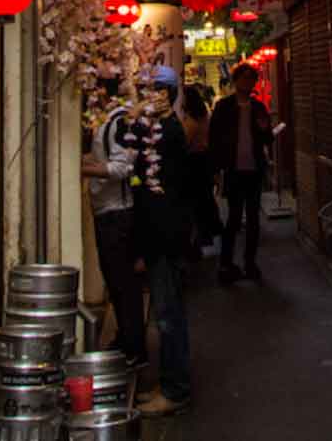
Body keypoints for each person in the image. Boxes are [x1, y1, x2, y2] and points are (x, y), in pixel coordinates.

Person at [127, 65, 193, 418]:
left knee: (169, 316)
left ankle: (175, 389)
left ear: (165, 95)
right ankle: (168, 382)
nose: (140, 95)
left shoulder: (166, 132)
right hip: (160, 236)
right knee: (166, 314)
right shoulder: (160, 129)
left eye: (146, 89)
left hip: (165, 237)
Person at [81, 99, 146, 368]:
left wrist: (84, 169)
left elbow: (123, 168)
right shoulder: (109, 123)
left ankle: (135, 348)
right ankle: (126, 339)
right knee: (116, 282)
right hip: (108, 212)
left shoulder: (119, 122)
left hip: (117, 214)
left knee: (124, 283)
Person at [209, 61, 273, 284]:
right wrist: (216, 169)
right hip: (233, 169)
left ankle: (250, 263)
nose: (247, 82)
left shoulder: (258, 107)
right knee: (234, 218)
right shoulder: (224, 107)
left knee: (254, 219)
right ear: (235, 81)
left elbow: (268, 139)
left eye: (250, 78)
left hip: (254, 170)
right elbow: (214, 139)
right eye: (243, 78)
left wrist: (265, 130)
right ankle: (226, 264)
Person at [183, 85, 223, 255]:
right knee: (204, 198)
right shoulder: (204, 115)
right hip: (204, 160)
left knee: (197, 201)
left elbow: (185, 143)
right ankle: (210, 233)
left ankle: (201, 238)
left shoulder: (191, 122)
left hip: (194, 162)